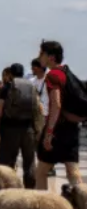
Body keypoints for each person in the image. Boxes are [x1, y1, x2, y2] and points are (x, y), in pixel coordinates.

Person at [35, 40, 83, 190]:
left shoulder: (53, 76)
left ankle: (40, 208)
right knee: (73, 172)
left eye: (41, 53)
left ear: (51, 57)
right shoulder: (66, 72)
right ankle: (83, 207)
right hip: (72, 129)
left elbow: (56, 104)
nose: (39, 57)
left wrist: (49, 133)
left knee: (41, 172)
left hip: (58, 130)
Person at [0, 63, 41, 188]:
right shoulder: (31, 86)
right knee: (29, 162)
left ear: (10, 73)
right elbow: (38, 108)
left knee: (7, 161)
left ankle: (10, 189)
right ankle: (30, 190)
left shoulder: (6, 88)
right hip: (28, 128)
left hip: (9, 128)